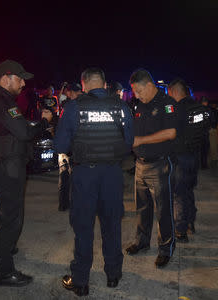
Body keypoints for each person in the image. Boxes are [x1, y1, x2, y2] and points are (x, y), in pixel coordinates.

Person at [55, 68, 133, 296]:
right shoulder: (121, 107)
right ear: (106, 84)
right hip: (112, 175)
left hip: (84, 176)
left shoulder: (74, 107)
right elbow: (128, 143)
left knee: (83, 227)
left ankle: (80, 281)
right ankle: (113, 275)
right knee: (112, 225)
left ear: (84, 84)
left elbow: (60, 146)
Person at [0, 59, 53, 287]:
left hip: (3, 165)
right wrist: (43, 122)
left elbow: (14, 126)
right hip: (6, 168)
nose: (23, 84)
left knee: (7, 213)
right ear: (6, 77)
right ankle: (4, 271)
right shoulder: (0, 102)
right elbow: (22, 131)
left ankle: (5, 249)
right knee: (11, 218)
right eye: (20, 79)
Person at [125, 69, 177, 268]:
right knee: (142, 207)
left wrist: (141, 140)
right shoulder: (139, 105)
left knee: (163, 209)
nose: (137, 96)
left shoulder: (167, 104)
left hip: (158, 164)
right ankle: (141, 241)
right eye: (134, 92)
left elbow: (171, 132)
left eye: (139, 91)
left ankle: (165, 249)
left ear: (149, 85)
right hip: (140, 164)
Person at [168, 79, 210, 242]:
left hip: (181, 156)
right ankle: (191, 222)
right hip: (195, 156)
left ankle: (180, 229)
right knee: (188, 191)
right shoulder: (200, 108)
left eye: (169, 93)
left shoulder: (177, 109)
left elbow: (171, 132)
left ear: (174, 92)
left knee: (178, 194)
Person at [57, 82, 83, 211]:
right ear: (70, 93)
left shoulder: (68, 105)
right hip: (71, 147)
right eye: (76, 92)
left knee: (65, 176)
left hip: (66, 146)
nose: (78, 95)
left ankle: (64, 205)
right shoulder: (68, 104)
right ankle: (67, 204)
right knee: (70, 177)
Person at [201, 97, 218, 169]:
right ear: (206, 102)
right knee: (205, 149)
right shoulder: (209, 110)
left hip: (199, 132)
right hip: (206, 132)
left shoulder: (197, 110)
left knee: (200, 149)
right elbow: (213, 120)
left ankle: (200, 164)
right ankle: (204, 165)